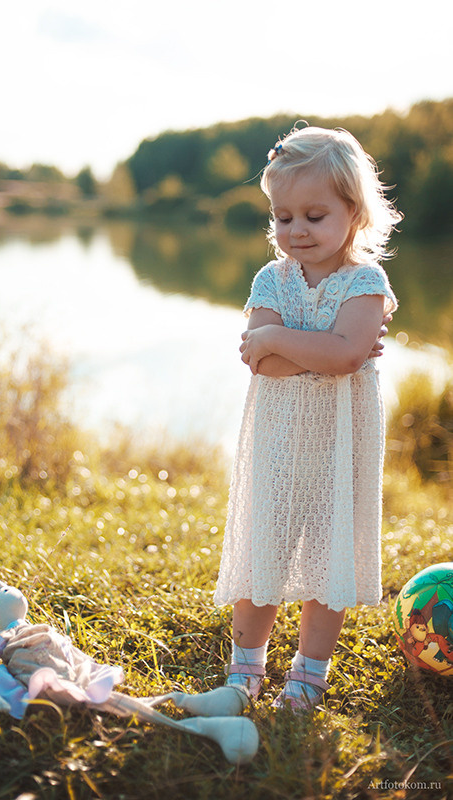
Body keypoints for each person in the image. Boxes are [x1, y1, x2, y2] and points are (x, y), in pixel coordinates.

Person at [213, 125, 401, 711]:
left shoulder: (366, 282)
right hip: (277, 438)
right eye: (283, 216)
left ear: (354, 212)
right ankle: (247, 666)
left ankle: (308, 672)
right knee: (264, 546)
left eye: (314, 216)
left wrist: (278, 337)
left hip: (341, 445)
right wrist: (315, 349)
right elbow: (261, 365)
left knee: (329, 553)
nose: (296, 230)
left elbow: (345, 354)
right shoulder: (271, 279)